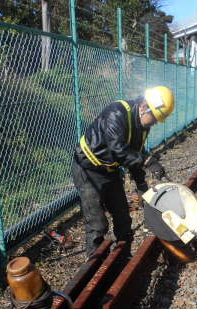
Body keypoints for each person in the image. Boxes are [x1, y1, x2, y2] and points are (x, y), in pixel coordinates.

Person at [72, 86, 174, 258]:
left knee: (123, 219)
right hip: (88, 169)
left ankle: (123, 258)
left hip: (110, 170)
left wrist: (141, 184)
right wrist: (148, 161)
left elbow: (134, 153)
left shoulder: (142, 126)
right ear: (144, 107)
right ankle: (95, 266)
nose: (155, 123)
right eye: (154, 118)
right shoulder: (116, 112)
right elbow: (118, 149)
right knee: (97, 223)